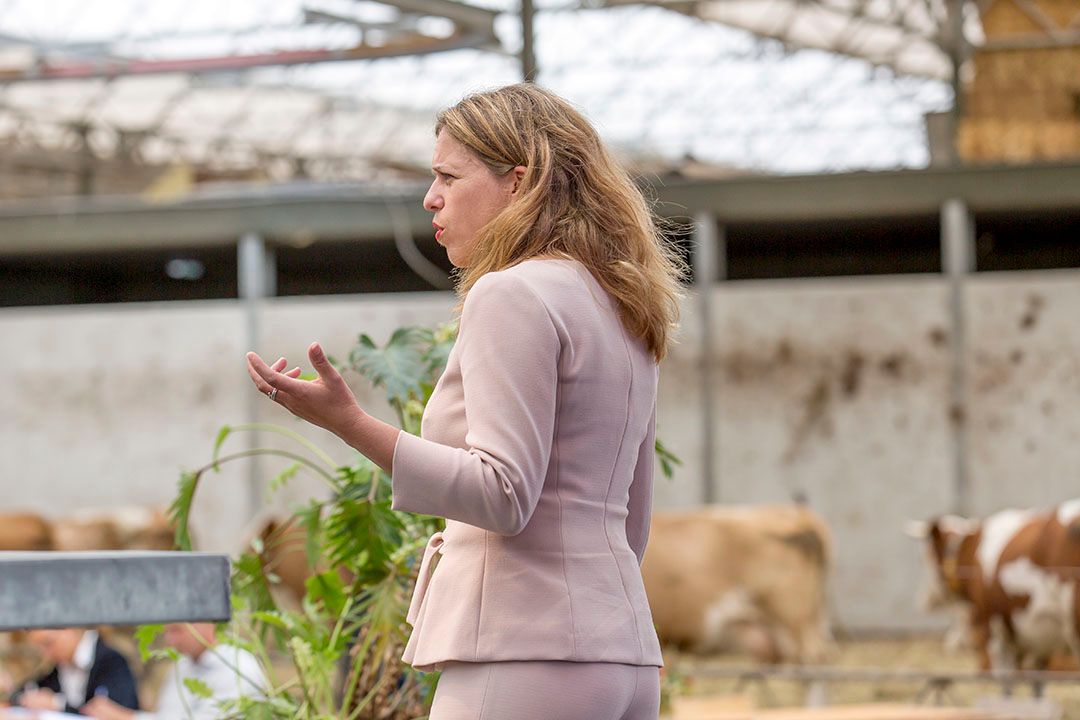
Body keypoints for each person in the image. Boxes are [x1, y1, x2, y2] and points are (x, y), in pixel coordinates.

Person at [245, 83, 684, 720]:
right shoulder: (623, 306)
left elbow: (502, 493)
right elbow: (632, 519)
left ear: (520, 182)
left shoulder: (512, 294)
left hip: (523, 654)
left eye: (448, 176)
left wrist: (349, 423)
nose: (431, 197)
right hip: (623, 659)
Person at [81, 623, 264, 720]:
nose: (170, 641)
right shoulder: (183, 665)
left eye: (176, 631)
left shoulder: (237, 668)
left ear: (204, 622)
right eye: (167, 632)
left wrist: (126, 718)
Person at [12, 627, 138, 714]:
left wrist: (57, 704)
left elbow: (112, 713)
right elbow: (22, 694)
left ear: (69, 629)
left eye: (48, 643)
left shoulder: (111, 661)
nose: (46, 655)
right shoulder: (56, 670)